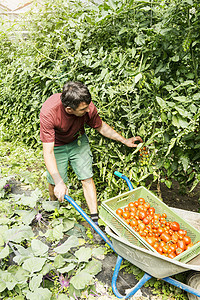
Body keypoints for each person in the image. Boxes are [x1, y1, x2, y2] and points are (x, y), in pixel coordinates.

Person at [40, 81, 143, 225]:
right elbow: (48, 152)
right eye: (83, 109)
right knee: (54, 180)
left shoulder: (87, 105)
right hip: (56, 146)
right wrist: (59, 182)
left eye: (88, 106)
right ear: (69, 109)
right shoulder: (49, 112)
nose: (88, 110)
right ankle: (51, 206)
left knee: (87, 177)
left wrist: (124, 140)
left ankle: (95, 219)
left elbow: (101, 127)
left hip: (78, 141)